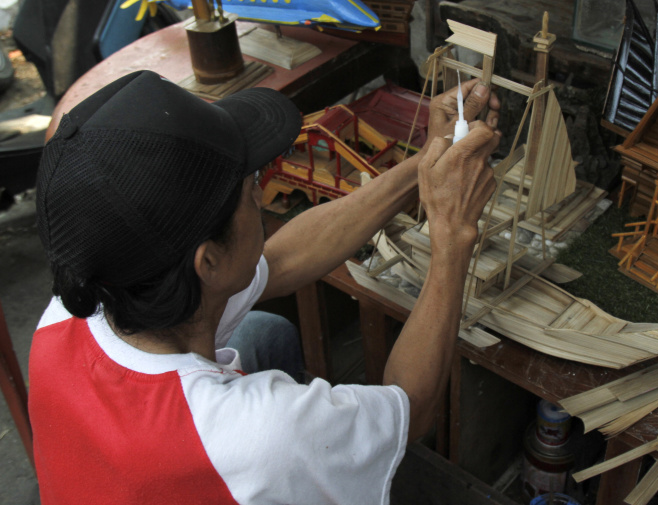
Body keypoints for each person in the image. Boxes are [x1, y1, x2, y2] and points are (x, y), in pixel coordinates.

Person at [30, 69, 501, 504]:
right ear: (208, 261)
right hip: (223, 456)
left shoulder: (87, 294)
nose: (260, 192)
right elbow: (412, 409)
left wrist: (425, 164)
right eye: (249, 186)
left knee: (265, 332)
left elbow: (280, 260)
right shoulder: (263, 435)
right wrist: (452, 233)